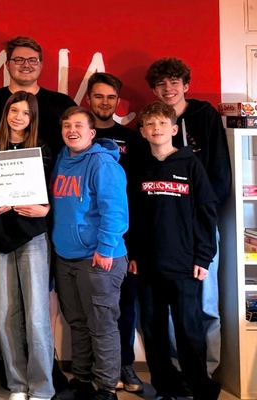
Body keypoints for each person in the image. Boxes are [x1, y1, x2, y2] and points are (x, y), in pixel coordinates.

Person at [145, 57, 231, 376]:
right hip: (165, 229)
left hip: (199, 224)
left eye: (174, 82)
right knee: (167, 308)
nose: (168, 89)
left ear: (186, 85)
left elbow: (219, 170)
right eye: (161, 84)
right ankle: (177, 373)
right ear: (154, 90)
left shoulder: (203, 115)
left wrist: (205, 215)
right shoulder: (152, 121)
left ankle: (205, 371)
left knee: (205, 302)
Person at [129, 101, 221, 400]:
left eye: (161, 124)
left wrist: (203, 256)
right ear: (142, 132)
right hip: (146, 265)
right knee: (153, 329)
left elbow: (207, 211)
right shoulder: (138, 166)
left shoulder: (190, 164)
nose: (156, 129)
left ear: (173, 129)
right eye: (150, 125)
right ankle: (166, 387)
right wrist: (132, 255)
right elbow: (130, 214)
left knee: (188, 329)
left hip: (184, 264)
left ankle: (200, 387)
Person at [51, 107, 128, 400]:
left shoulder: (103, 164)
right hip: (66, 257)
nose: (72, 130)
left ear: (92, 133)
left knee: (102, 324)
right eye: (67, 125)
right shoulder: (62, 159)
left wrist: (106, 248)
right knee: (78, 324)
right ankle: (82, 379)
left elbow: (115, 210)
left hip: (98, 258)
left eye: (79, 126)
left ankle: (106, 386)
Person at [0, 91, 55, 400]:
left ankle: (41, 387)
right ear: (6, 112)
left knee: (37, 314)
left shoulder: (43, 150)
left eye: (25, 113)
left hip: (32, 236)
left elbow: (53, 194)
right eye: (15, 110)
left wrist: (47, 208)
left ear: (32, 118)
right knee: (6, 314)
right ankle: (17, 384)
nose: (19, 117)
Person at [84, 72, 145, 393]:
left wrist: (134, 249)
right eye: (98, 96)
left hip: (123, 242)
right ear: (88, 99)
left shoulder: (132, 139)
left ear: (117, 101)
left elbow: (136, 195)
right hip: (83, 242)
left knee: (125, 307)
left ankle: (126, 367)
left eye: (110, 97)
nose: (104, 102)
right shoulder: (80, 137)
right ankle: (98, 370)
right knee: (92, 311)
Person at [0, 36, 76, 157]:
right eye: (19, 60)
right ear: (7, 65)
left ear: (41, 65)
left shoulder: (63, 104)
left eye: (32, 60)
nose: (26, 65)